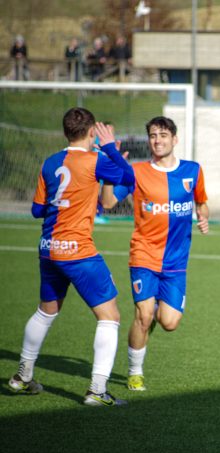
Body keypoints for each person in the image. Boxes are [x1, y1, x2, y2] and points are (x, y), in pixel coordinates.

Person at [8, 107, 134, 406]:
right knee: (110, 317)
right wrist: (110, 150)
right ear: (92, 132)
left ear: (65, 132)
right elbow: (130, 176)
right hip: (78, 250)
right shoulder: (95, 160)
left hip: (48, 249)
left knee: (46, 312)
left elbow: (37, 210)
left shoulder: (50, 162)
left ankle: (22, 377)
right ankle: (97, 391)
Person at [100, 116, 209, 392]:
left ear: (175, 139)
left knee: (169, 322)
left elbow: (201, 202)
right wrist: (110, 168)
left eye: (163, 135)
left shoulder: (193, 171)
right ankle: (135, 372)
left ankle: (154, 310)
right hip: (144, 256)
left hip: (176, 262)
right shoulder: (136, 172)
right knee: (143, 316)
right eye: (152, 135)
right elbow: (108, 202)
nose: (157, 140)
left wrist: (203, 216)